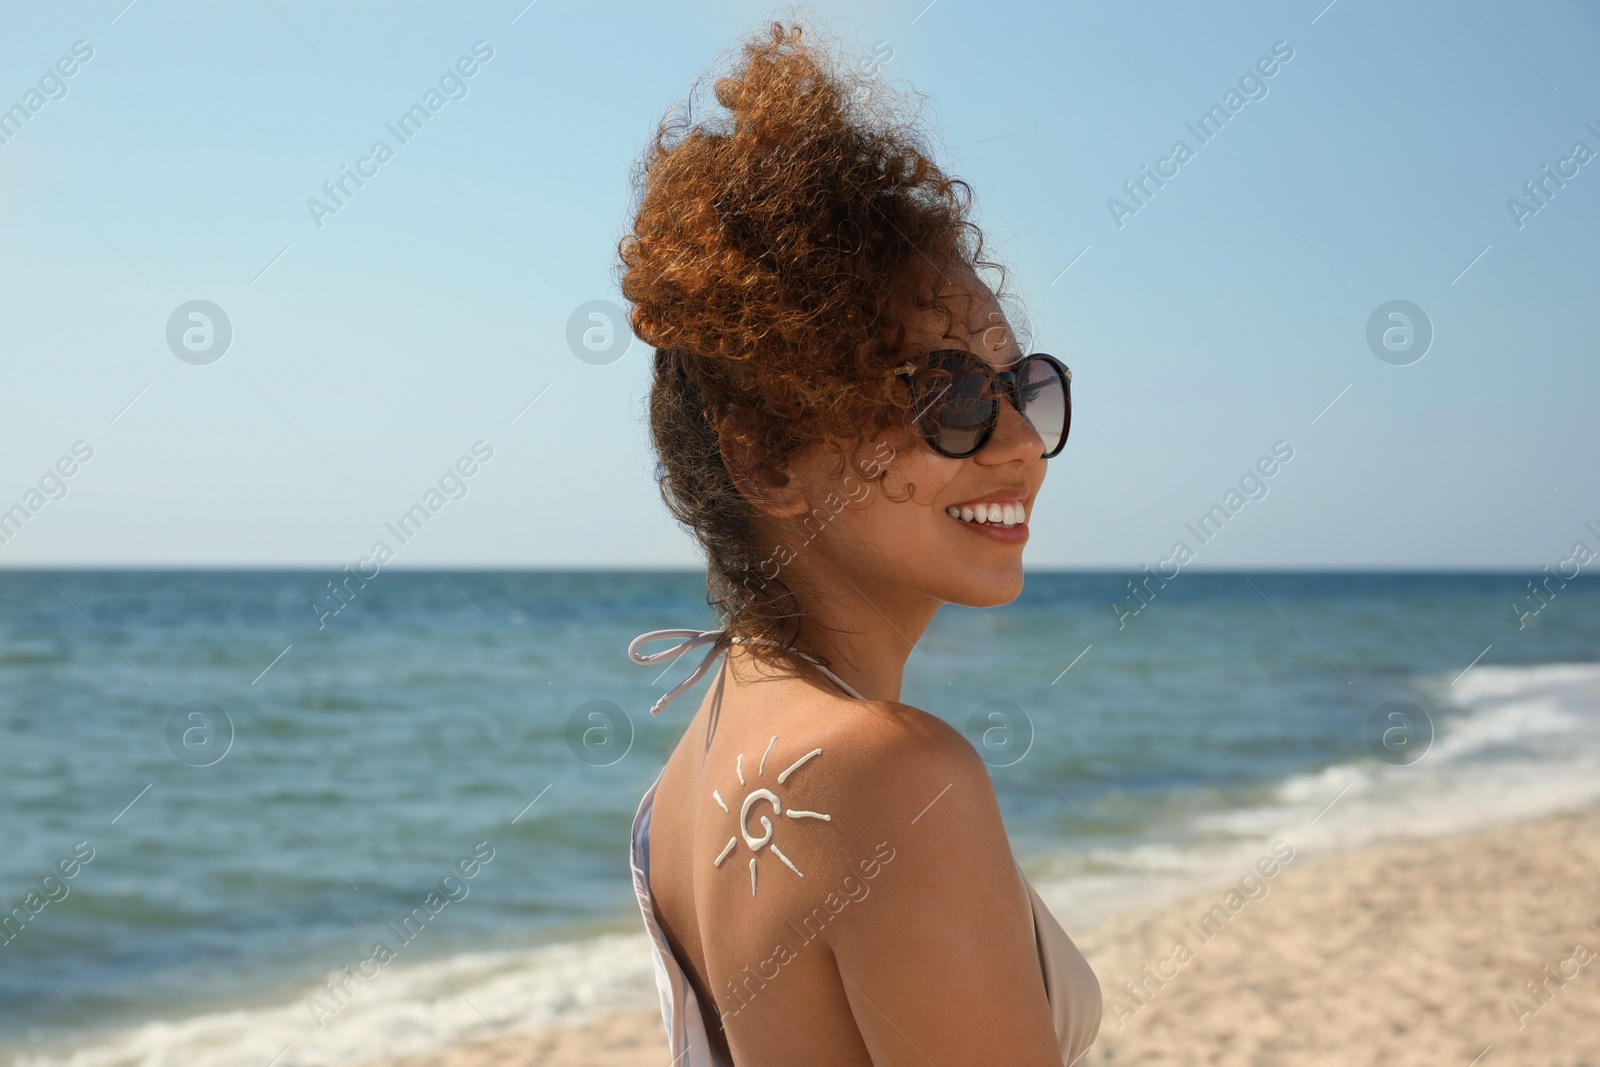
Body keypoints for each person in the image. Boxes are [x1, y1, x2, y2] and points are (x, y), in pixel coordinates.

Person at [617, 20, 1098, 1066]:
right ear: (769, 460)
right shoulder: (893, 772)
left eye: (1023, 386)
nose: (1020, 444)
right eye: (953, 397)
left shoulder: (688, 775)